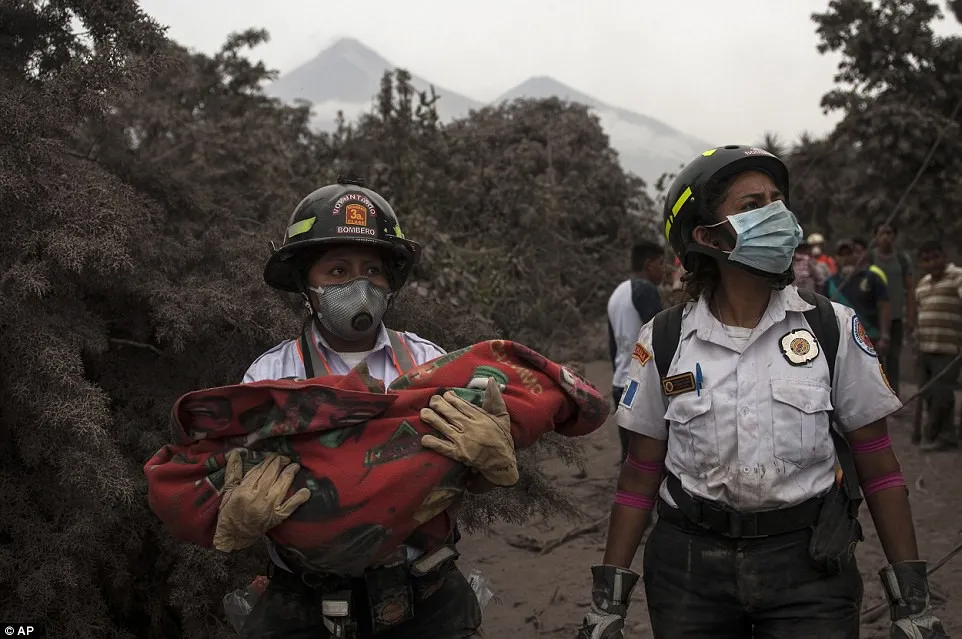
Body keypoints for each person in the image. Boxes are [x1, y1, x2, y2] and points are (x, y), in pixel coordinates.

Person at [577, 145, 946, 639]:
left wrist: (912, 601)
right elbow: (640, 473)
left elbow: (878, 463)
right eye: (752, 206)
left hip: (810, 568)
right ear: (707, 236)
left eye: (778, 200)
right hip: (689, 571)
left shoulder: (831, 327)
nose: (777, 214)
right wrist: (608, 605)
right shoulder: (664, 340)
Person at [226, 177, 512, 638]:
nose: (359, 285)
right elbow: (238, 474)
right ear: (306, 282)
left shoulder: (428, 362)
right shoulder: (271, 377)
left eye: (372, 270)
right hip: (306, 606)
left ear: (390, 281)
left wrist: (486, 463)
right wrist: (239, 515)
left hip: (424, 602)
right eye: (337, 271)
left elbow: (455, 473)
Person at [607, 241, 664, 461]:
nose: (663, 269)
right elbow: (661, 336)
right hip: (641, 386)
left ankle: (626, 494)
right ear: (649, 265)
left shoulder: (618, 293)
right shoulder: (645, 289)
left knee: (630, 454)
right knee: (648, 456)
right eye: (660, 263)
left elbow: (613, 346)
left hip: (621, 384)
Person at [914, 240, 962, 452]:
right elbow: (920, 311)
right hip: (925, 346)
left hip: (948, 346)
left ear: (944, 256)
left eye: (935, 257)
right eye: (926, 260)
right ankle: (948, 434)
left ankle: (933, 434)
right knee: (929, 393)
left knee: (942, 392)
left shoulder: (957, 276)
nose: (932, 263)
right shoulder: (923, 284)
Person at [826, 238, 891, 359]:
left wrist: (885, 336)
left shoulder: (872, 278)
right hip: (842, 340)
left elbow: (884, 306)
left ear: (857, 255)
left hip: (870, 337)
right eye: (841, 255)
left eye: (849, 253)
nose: (846, 258)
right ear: (835, 258)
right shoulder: (830, 283)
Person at [870, 221, 915, 395]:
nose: (885, 238)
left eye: (889, 233)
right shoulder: (871, 257)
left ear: (894, 236)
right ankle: (877, 395)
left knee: (894, 358)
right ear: (875, 237)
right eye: (881, 233)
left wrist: (910, 315)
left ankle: (894, 395)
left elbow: (910, 288)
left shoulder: (902, 259)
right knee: (874, 359)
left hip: (896, 316)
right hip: (874, 316)